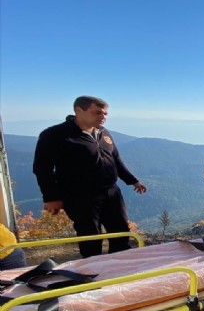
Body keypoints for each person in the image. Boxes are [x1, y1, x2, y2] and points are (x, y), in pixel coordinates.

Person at [33, 96, 147, 258]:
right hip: (80, 195)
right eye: (97, 113)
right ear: (78, 111)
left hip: (111, 192)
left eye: (106, 114)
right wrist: (51, 197)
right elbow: (42, 168)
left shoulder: (103, 133)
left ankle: (121, 267)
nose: (103, 117)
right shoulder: (55, 135)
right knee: (90, 235)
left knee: (121, 231)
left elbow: (115, 159)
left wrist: (132, 180)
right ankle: (93, 273)